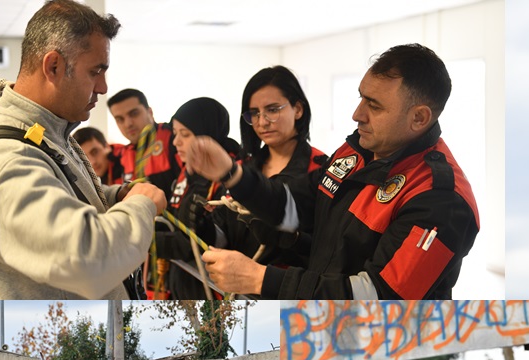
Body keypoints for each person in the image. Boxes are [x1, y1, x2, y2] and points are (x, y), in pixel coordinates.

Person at [185, 44, 479, 299]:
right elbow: (295, 205)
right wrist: (232, 175)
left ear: (419, 117)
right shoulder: (357, 151)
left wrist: (261, 279)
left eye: (374, 106)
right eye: (361, 97)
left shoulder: (442, 199)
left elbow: (378, 297)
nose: (357, 114)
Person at [0, 0, 167, 300]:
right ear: (53, 66)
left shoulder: (46, 134)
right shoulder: (5, 159)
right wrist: (141, 205)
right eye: (96, 71)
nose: (104, 87)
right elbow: (87, 259)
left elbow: (60, 193)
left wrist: (114, 197)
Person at [215, 65, 327, 266]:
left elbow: (330, 250)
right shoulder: (240, 171)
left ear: (298, 109)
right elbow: (221, 235)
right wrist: (202, 227)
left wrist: (292, 240)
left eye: (272, 110)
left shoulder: (321, 170)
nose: (262, 122)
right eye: (254, 113)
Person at [154, 97, 240, 299]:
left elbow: (197, 244)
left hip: (212, 296)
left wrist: (140, 241)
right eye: (175, 134)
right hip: (181, 288)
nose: (176, 142)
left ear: (207, 135)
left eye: (185, 134)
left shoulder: (229, 179)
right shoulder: (188, 173)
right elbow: (175, 224)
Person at [107, 88, 181, 197]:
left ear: (149, 112)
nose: (128, 124)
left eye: (134, 114)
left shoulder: (174, 138)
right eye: (120, 119)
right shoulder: (120, 158)